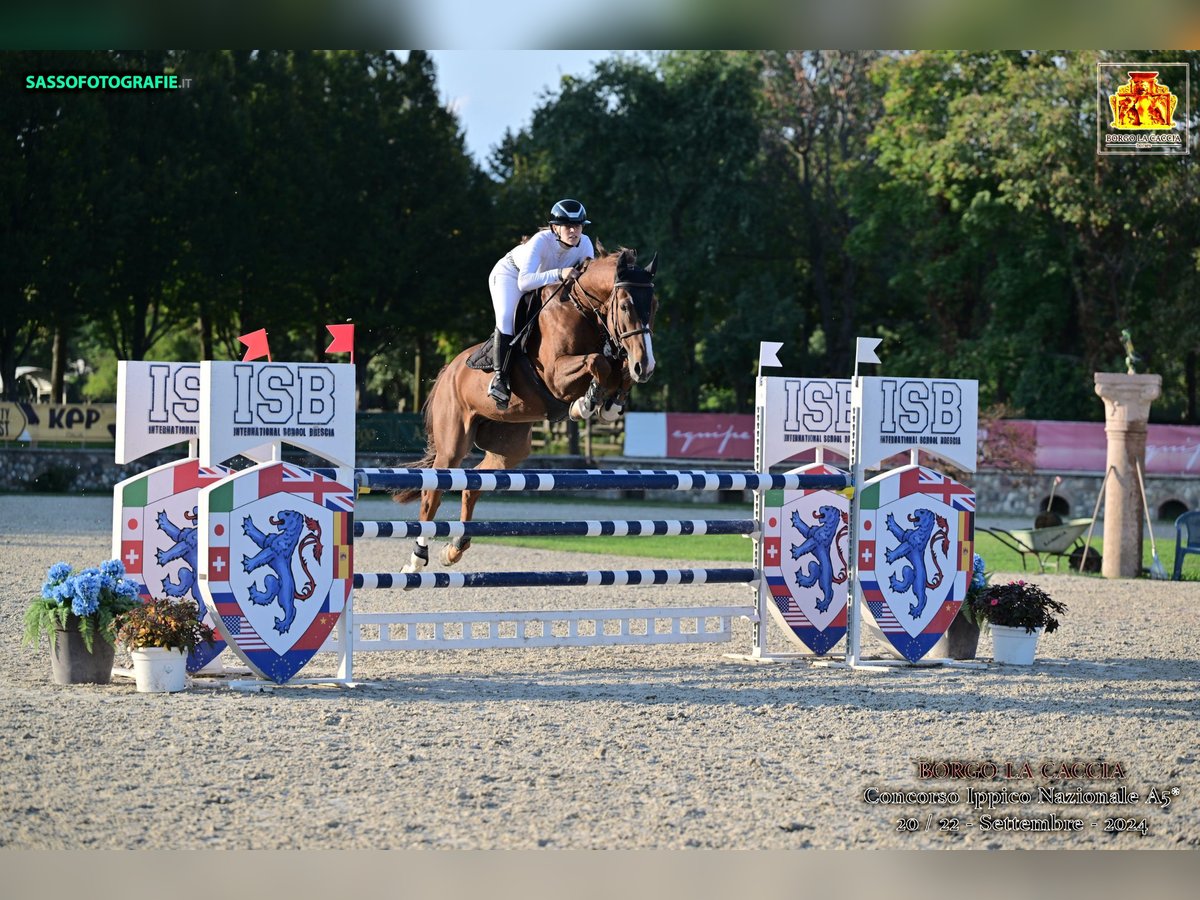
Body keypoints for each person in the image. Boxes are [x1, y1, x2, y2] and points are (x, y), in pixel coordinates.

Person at [486, 199, 595, 409]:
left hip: (544, 285)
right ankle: (500, 379)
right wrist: (559, 273)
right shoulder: (541, 240)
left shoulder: (586, 244)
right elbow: (525, 282)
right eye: (568, 226)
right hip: (511, 275)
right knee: (507, 318)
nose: (574, 231)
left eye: (578, 226)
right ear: (555, 227)